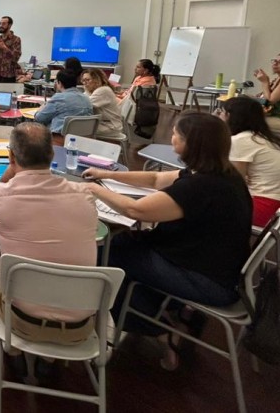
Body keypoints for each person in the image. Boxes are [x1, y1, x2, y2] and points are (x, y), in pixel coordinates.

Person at [83, 112, 252, 371]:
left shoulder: (200, 187)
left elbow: (135, 211)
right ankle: (164, 314)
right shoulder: (222, 175)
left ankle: (161, 333)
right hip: (216, 269)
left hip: (204, 279)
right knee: (123, 249)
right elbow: (155, 179)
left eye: (176, 134)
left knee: (107, 261)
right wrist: (108, 175)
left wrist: (95, 190)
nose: (171, 137)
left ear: (192, 144)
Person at [0, 122, 98, 347]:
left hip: (23, 322)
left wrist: (10, 170)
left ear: (11, 157)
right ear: (53, 153)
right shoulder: (84, 195)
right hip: (80, 327)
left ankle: (12, 350)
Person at [220, 96, 280, 226]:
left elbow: (235, 184)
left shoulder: (241, 141)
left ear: (229, 116)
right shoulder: (262, 137)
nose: (219, 115)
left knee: (205, 205)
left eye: (221, 112)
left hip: (265, 208)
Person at [33, 71, 93, 140]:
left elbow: (39, 118)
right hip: (84, 139)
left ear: (60, 83)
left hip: (61, 139)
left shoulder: (59, 98)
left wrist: (40, 109)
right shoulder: (86, 98)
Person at [81, 69, 125, 141]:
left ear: (97, 80)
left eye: (87, 80)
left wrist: (86, 90)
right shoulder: (95, 90)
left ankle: (85, 150)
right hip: (105, 123)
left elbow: (85, 104)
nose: (85, 83)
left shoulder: (103, 90)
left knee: (77, 128)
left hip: (110, 126)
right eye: (83, 80)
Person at [0, 16, 23, 90]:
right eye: (0, 23)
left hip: (8, 77)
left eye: (4, 23)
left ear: (9, 25)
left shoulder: (16, 40)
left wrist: (4, 47)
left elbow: (15, 58)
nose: (1, 25)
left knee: (7, 100)